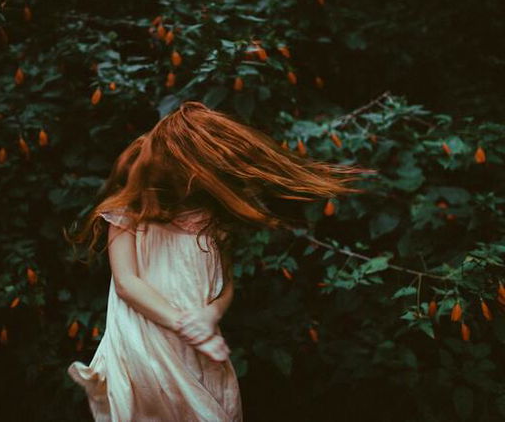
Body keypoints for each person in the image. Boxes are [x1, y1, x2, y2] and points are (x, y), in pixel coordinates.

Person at [65, 101, 376, 421]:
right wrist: (186, 326)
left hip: (197, 348)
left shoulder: (211, 218)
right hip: (145, 342)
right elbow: (127, 282)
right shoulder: (128, 211)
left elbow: (225, 285)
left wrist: (210, 315)